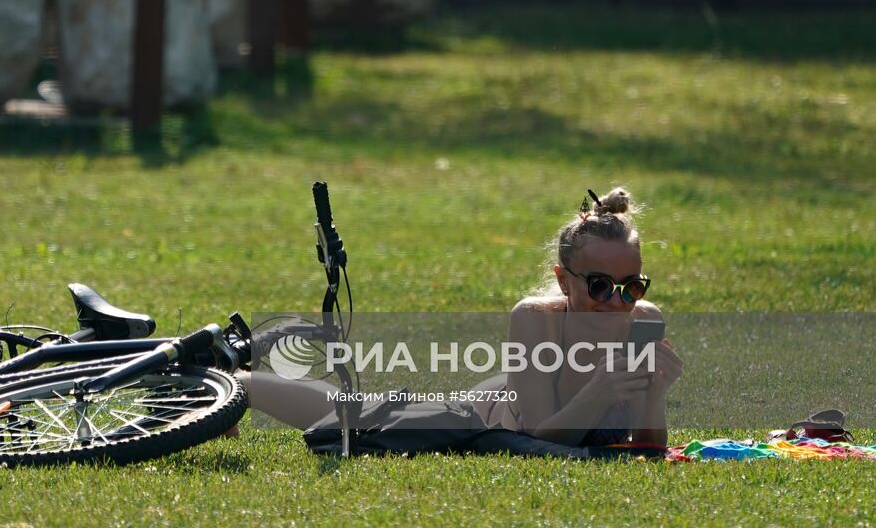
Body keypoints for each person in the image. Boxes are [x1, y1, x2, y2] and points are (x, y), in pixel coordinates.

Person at [239, 186, 683, 449]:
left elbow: (646, 448)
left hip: (497, 418)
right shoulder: (537, 320)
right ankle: (234, 384)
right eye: (600, 285)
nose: (616, 301)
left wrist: (654, 395)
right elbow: (543, 437)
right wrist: (600, 391)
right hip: (472, 419)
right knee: (349, 417)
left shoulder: (642, 323)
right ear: (564, 281)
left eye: (632, 287)